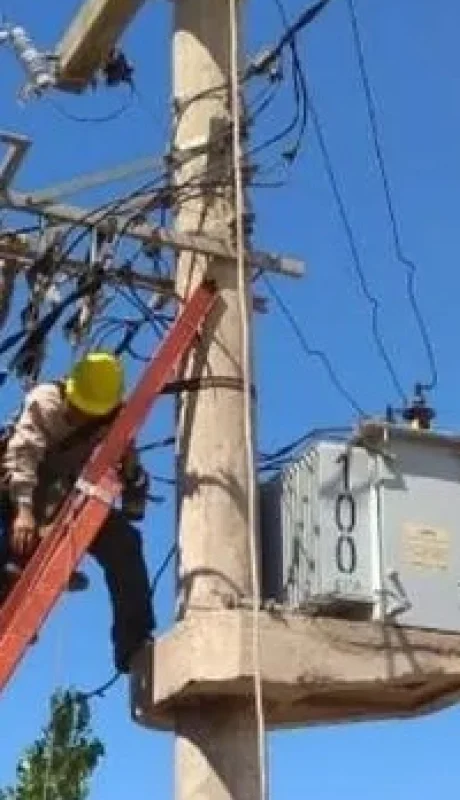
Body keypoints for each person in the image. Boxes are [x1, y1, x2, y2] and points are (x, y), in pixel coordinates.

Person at [0, 351, 154, 673]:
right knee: (11, 544)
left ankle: (134, 643)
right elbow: (22, 456)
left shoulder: (115, 421)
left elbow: (134, 504)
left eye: (89, 412)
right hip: (17, 487)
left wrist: (130, 470)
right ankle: (10, 584)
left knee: (124, 542)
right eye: (78, 408)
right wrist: (24, 511)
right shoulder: (46, 401)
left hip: (65, 496)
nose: (80, 417)